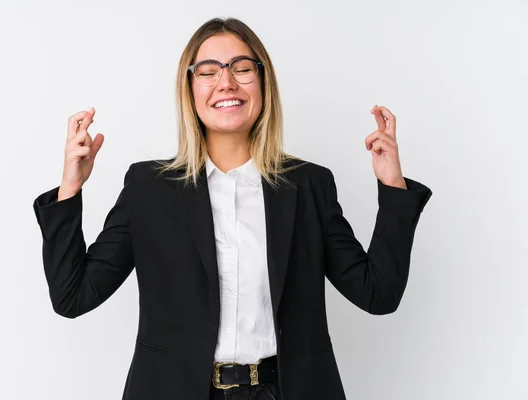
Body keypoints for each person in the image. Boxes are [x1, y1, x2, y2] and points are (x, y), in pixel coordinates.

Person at [32, 17, 432, 400]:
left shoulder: (309, 185)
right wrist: (71, 186)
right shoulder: (148, 189)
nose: (226, 82)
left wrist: (392, 185)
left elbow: (378, 294)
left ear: (262, 82)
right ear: (189, 89)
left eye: (241, 68)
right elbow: (73, 297)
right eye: (207, 71)